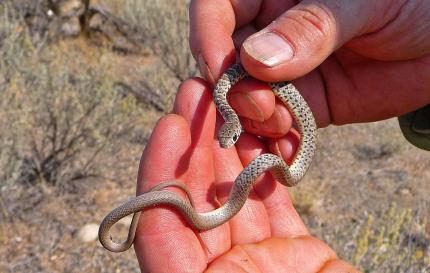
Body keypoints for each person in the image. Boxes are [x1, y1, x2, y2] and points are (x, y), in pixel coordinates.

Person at [133, 1, 430, 272]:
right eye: (229, 138)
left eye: (230, 138)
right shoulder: (225, 98)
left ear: (232, 129)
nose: (227, 142)